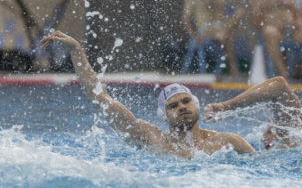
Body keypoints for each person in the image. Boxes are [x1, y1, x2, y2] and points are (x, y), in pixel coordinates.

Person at [41, 31, 255, 158]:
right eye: (173, 106)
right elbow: (100, 98)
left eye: (186, 101)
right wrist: (77, 50)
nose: (181, 107)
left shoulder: (229, 142)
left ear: (196, 104)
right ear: (164, 116)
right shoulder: (152, 138)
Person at [181, 0, 239, 76]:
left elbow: (221, 18)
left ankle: (232, 69)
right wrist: (193, 35)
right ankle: (233, 69)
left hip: (218, 29)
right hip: (203, 30)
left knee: (239, 13)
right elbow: (185, 19)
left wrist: (227, 24)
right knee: (227, 36)